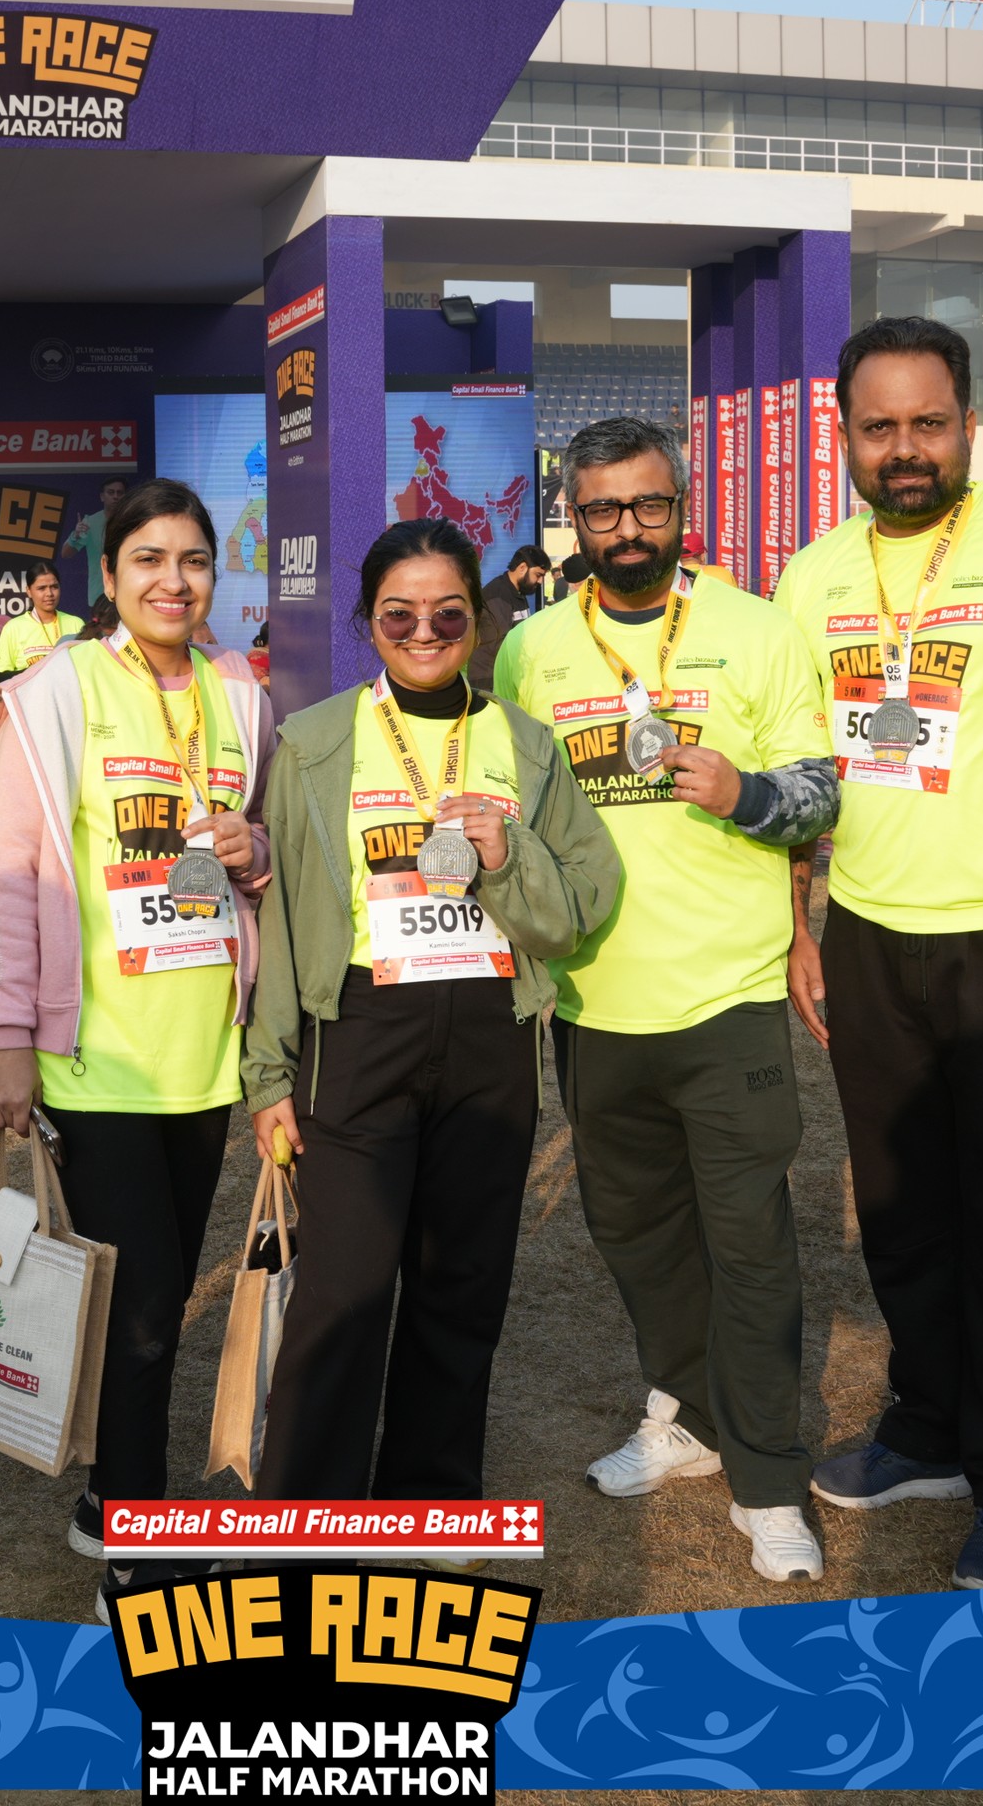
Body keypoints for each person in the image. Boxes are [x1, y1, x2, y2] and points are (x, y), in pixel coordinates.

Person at [771, 315, 983, 1592]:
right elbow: (804, 766)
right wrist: (798, 923)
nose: (906, 447)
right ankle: (926, 1426)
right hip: (870, 934)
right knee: (901, 1209)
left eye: (929, 422)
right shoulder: (812, 575)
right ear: (846, 437)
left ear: (970, 423)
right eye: (881, 427)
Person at [493, 414, 840, 1583]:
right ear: (573, 520)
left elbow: (822, 791)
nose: (628, 527)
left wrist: (746, 793)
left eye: (648, 504)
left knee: (750, 1244)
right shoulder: (531, 649)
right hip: (595, 1002)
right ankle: (687, 1412)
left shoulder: (757, 629)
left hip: (726, 997)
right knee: (635, 1233)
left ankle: (770, 1478)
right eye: (603, 509)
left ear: (682, 509)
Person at [244, 517, 620, 1523]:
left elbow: (581, 902)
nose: (423, 631)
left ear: (477, 620)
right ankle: (303, 1523)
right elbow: (286, 919)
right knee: (343, 1289)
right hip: (361, 1029)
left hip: (490, 1030)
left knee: (462, 1284)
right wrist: (269, 1073)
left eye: (448, 613)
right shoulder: (315, 741)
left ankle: (431, 1503)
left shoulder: (524, 744)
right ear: (368, 622)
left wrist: (508, 855)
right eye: (398, 614)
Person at [0, 479, 274, 1610]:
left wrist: (251, 851)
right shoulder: (58, 691)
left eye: (193, 560)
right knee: (143, 1312)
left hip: (202, 1058)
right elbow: (9, 874)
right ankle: (140, 1553)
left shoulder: (241, 693)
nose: (172, 581)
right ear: (109, 576)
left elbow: (264, 855)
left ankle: (107, 1496)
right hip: (96, 1057)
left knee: (154, 1294)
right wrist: (8, 1036)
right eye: (148, 559)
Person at [473, 541, 552, 687]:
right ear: (522, 568)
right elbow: (503, 644)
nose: (541, 581)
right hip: (490, 679)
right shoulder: (497, 595)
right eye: (538, 575)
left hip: (506, 675)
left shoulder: (518, 593)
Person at [0, 558, 83, 676]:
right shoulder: (13, 627)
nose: (49, 593)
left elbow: (87, 668)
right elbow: (0, 676)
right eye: (41, 588)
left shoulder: (76, 624)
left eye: (54, 587)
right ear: (28, 591)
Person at [62, 476, 131, 605]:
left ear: (125, 496)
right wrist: (75, 535)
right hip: (100, 595)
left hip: (130, 594)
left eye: (120, 493)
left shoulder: (134, 522)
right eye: (111, 492)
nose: (115, 496)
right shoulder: (90, 523)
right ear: (102, 496)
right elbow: (65, 553)